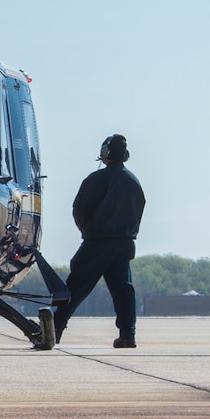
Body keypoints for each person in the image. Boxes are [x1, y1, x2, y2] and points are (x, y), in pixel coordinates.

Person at [52, 134, 146, 348]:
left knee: (75, 287)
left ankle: (54, 329)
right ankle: (127, 334)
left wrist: (88, 231)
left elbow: (79, 211)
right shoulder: (134, 181)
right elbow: (139, 211)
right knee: (123, 289)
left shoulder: (96, 179)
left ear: (105, 153)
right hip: (125, 243)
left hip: (98, 242)